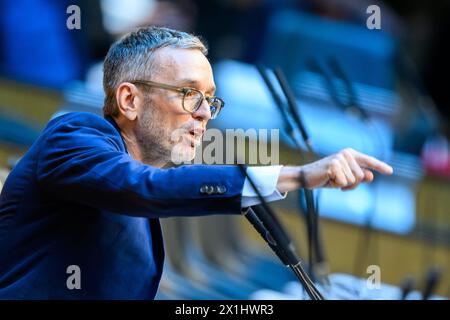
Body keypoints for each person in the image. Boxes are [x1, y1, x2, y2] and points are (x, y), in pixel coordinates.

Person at [0, 26, 393, 299]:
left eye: (210, 99)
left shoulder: (142, 177)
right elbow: (146, 190)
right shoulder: (73, 137)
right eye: (189, 94)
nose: (205, 113)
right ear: (129, 100)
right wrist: (299, 175)